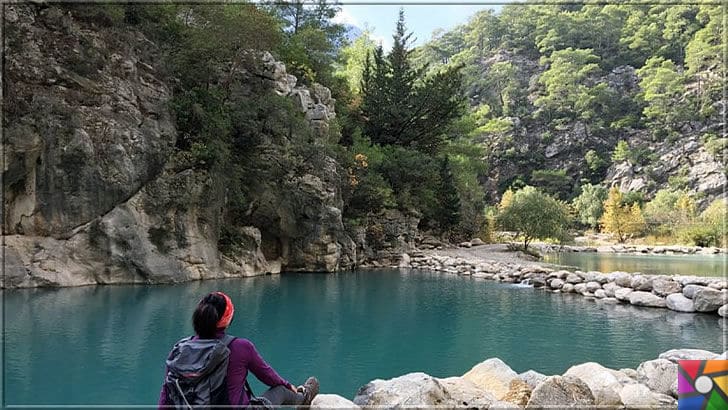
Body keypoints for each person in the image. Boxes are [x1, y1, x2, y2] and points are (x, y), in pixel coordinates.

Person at [158, 291, 319, 408]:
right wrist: (286, 384)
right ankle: (303, 396)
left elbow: (167, 394)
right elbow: (269, 377)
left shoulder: (179, 349)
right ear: (227, 320)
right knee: (281, 390)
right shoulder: (240, 347)